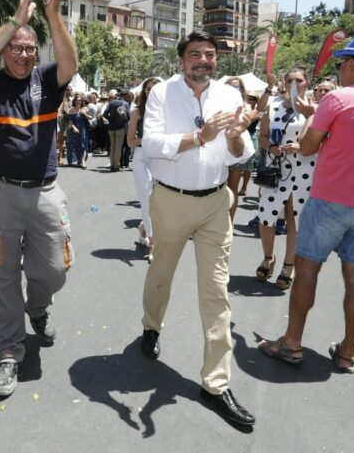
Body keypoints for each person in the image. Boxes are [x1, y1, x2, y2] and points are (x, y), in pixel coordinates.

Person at [259, 33, 354, 374]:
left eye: (342, 64)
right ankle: (347, 353)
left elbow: (308, 147)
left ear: (353, 64)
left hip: (330, 199)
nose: (340, 70)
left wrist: (313, 115)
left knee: (307, 268)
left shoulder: (338, 99)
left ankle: (292, 343)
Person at [0, 0, 78, 398]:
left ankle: (40, 306)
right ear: (5, 49)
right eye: (16, 48)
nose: (24, 55)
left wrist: (52, 14)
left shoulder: (47, 80)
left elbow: (70, 62)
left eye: (30, 48)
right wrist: (15, 19)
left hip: (46, 193)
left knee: (53, 269)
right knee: (0, 274)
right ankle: (9, 353)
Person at [140, 32, 256, 427]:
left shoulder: (229, 96)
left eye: (209, 54)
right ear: (181, 61)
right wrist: (199, 137)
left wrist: (237, 139)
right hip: (170, 201)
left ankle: (216, 383)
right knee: (161, 274)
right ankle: (151, 326)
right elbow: (151, 143)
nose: (203, 60)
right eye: (195, 55)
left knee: (216, 291)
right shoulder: (162, 94)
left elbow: (240, 154)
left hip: (214, 204)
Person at [255, 68, 318, 291]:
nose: (293, 83)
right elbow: (261, 137)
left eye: (298, 80)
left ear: (306, 83)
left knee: (294, 219)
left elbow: (318, 141)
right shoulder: (272, 107)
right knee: (266, 217)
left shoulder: (315, 110)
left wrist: (302, 146)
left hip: (303, 171)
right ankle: (268, 257)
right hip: (275, 169)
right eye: (289, 80)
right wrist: (271, 146)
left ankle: (288, 266)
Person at [127, 77, 162, 261]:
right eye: (148, 88)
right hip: (142, 157)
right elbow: (130, 141)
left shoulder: (168, 112)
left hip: (162, 159)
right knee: (147, 199)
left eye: (155, 88)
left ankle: (143, 227)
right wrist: (147, 140)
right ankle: (152, 244)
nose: (151, 91)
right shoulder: (137, 112)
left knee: (160, 201)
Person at [224, 77, 257, 219]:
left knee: (232, 188)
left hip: (238, 150)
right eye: (230, 86)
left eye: (237, 87)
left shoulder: (246, 106)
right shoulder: (216, 103)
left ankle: (229, 222)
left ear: (242, 90)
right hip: (219, 151)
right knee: (217, 189)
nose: (233, 89)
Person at [104, 90, 130, 172]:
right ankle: (116, 165)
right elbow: (128, 117)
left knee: (112, 147)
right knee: (118, 147)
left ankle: (112, 165)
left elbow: (105, 114)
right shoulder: (125, 103)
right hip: (120, 127)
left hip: (111, 127)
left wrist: (111, 120)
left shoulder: (111, 103)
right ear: (124, 96)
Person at [65, 93, 89, 168]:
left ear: (82, 101)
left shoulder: (85, 109)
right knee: (74, 145)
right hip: (73, 130)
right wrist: (74, 128)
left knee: (83, 145)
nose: (78, 101)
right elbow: (69, 121)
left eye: (79, 100)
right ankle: (78, 161)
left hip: (83, 129)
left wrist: (84, 113)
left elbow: (90, 118)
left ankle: (83, 161)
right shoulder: (71, 110)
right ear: (74, 101)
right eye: (76, 100)